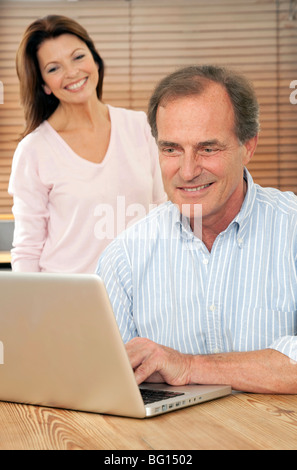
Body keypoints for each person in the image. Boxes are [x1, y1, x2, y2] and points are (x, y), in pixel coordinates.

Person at [96, 65, 297, 394]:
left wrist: (190, 366)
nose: (187, 171)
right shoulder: (124, 258)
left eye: (208, 148)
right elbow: (104, 379)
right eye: (171, 149)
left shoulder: (291, 230)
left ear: (248, 146)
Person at [8, 15, 166, 273]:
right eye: (53, 68)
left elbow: (161, 212)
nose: (72, 72)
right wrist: (30, 311)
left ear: (95, 60)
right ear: (44, 85)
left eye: (78, 57)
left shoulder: (139, 126)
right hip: (68, 301)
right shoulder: (34, 151)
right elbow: (27, 250)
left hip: (140, 295)